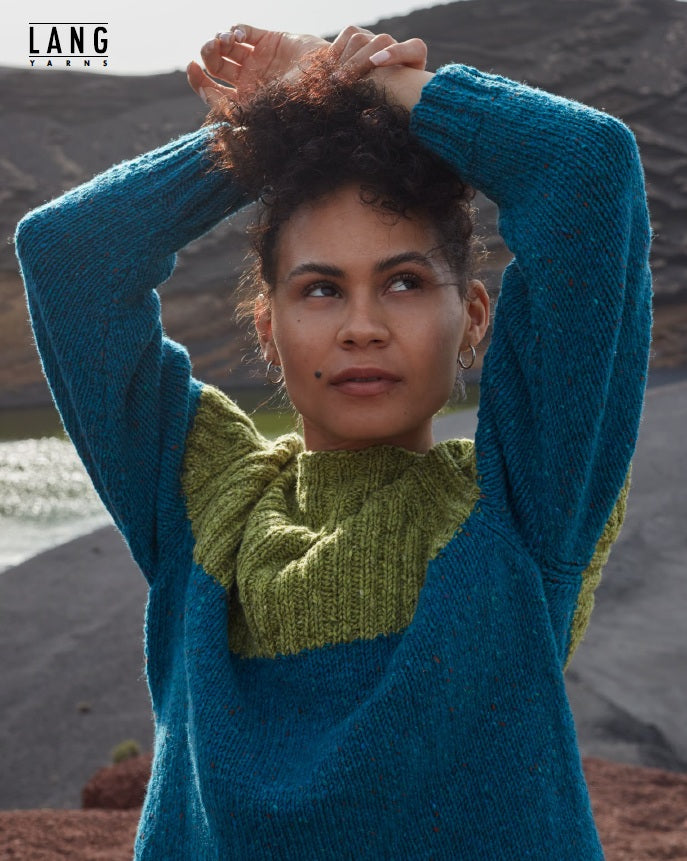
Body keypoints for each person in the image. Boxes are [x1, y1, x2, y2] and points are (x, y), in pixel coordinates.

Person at [15, 23, 652, 860]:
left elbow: (588, 167)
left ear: (472, 320)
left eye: (403, 281)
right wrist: (274, 120)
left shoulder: (525, 505)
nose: (361, 326)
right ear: (267, 329)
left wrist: (369, 87)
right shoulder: (204, 504)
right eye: (319, 289)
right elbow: (66, 254)